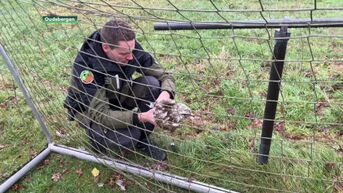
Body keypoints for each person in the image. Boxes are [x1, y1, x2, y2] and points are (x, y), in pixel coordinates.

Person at [63, 19, 175, 161]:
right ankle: (97, 137)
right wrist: (141, 117)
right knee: (127, 137)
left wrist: (166, 94)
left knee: (153, 84)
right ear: (106, 48)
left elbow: (165, 75)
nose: (131, 57)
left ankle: (142, 141)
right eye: (123, 54)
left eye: (132, 51)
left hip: (116, 95)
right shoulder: (86, 68)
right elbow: (101, 114)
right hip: (90, 110)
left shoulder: (130, 49)